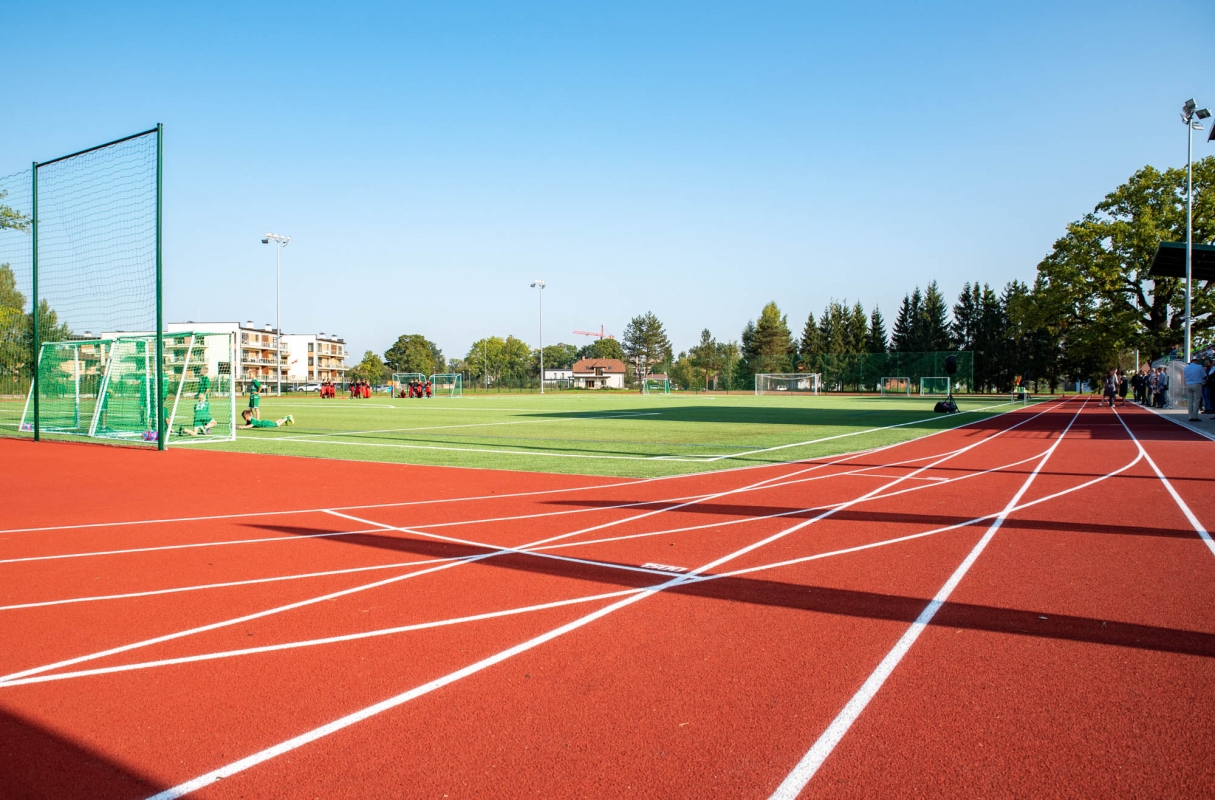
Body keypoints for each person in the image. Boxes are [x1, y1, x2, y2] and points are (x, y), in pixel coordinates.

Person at [1183, 355, 1206, 422]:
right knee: (1196, 401)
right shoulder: (1199, 367)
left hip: (1188, 384)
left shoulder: (1186, 368)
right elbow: (1204, 376)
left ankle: (1190, 416)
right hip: (1197, 384)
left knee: (1190, 401)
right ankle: (1195, 416)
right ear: (1196, 361)